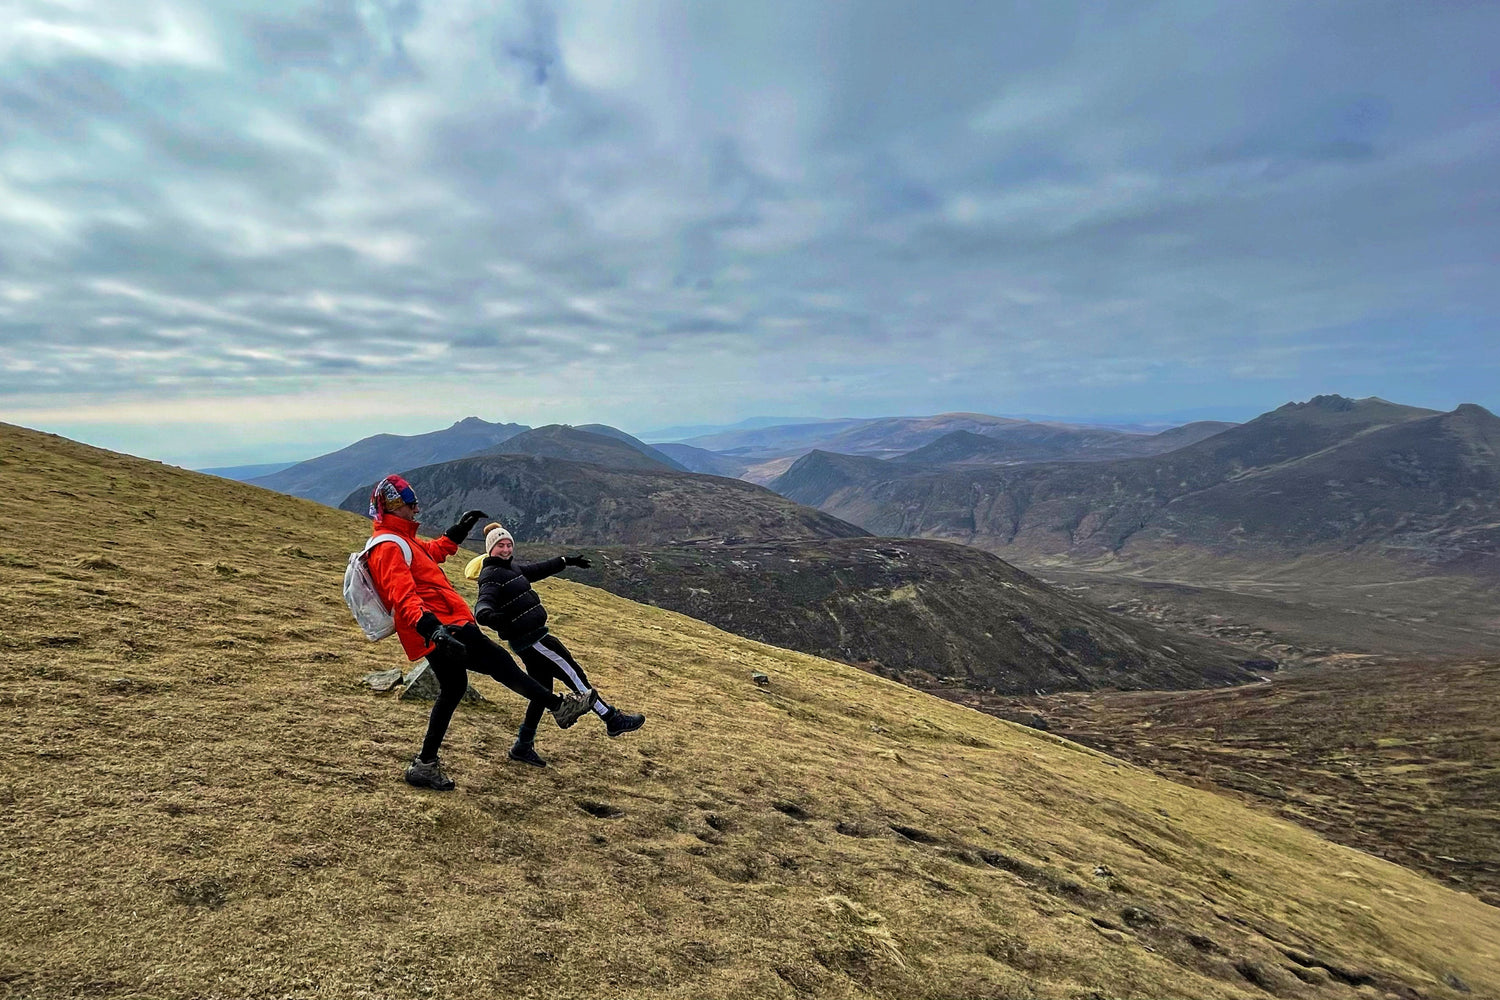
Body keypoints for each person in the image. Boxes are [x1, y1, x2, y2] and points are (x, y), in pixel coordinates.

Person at [363, 475, 594, 791]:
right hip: (444, 627)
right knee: (500, 662)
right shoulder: (388, 546)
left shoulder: (401, 538)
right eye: (410, 504)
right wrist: (435, 631)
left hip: (441, 627)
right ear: (393, 506)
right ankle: (559, 706)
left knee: (454, 687)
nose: (416, 509)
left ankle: (425, 765)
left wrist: (458, 531)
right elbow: (401, 597)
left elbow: (431, 553)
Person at [467, 521, 645, 767]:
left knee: (541, 693)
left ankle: (523, 745)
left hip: (533, 639)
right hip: (534, 641)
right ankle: (611, 719)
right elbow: (484, 600)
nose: (506, 549)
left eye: (508, 544)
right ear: (490, 549)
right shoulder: (492, 575)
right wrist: (486, 614)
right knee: (574, 675)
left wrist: (565, 561)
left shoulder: (511, 568)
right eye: (500, 546)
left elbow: (538, 569)